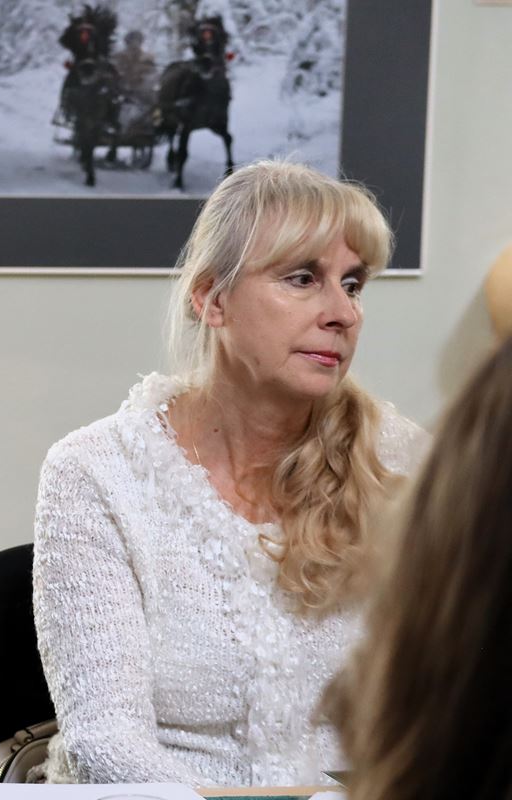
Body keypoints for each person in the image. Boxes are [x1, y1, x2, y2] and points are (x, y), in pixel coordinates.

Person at [32, 160, 426, 787]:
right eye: (303, 278)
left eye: (352, 285)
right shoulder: (97, 473)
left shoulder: (403, 466)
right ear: (211, 298)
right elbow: (106, 742)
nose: (343, 314)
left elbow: (448, 707)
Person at [324, 337, 512, 800]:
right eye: (301, 290)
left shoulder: (406, 454)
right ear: (210, 303)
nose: (343, 314)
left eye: (355, 296)